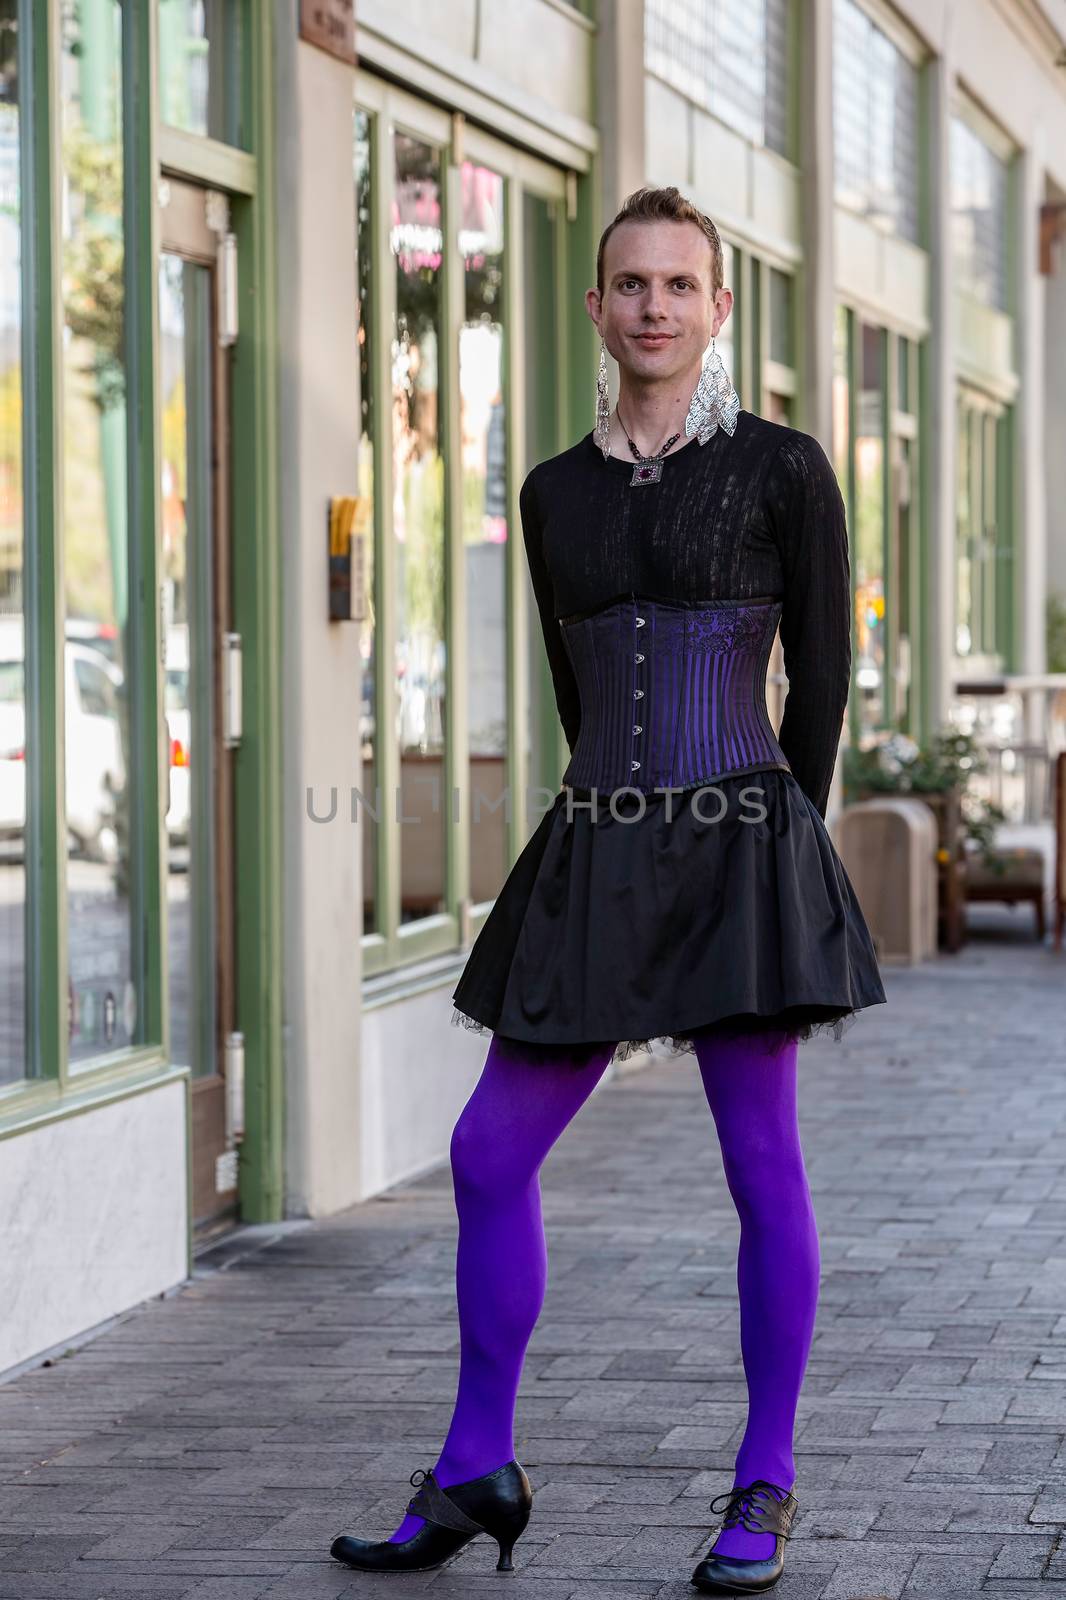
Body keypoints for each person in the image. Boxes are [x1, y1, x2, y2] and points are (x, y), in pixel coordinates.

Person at [331, 185, 887, 1595]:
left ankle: (765, 1479)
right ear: (594, 308)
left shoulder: (781, 468)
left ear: (713, 311)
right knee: (484, 1155)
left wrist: (785, 847)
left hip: (740, 841)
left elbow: (817, 675)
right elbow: (577, 685)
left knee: (759, 1168)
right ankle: (473, 1469)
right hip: (597, 845)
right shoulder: (551, 490)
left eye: (677, 285)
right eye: (627, 284)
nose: (652, 306)